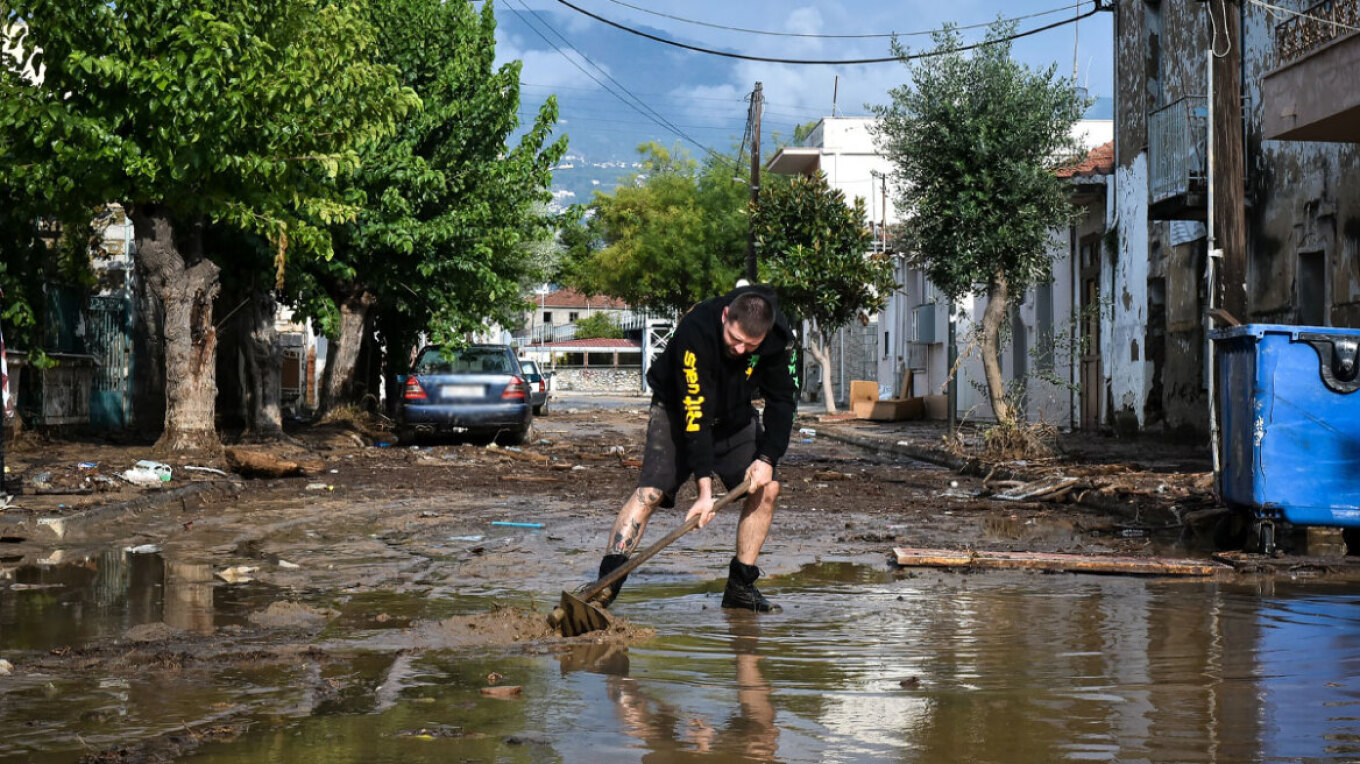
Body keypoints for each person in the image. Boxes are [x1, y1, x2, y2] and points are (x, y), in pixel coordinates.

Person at [594, 284, 797, 613]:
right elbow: (694, 414)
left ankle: (741, 588)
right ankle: (603, 588)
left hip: (734, 414)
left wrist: (767, 459)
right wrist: (705, 491)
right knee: (650, 492)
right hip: (677, 411)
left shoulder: (780, 338)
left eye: (751, 345)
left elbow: (783, 401)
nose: (742, 350)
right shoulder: (697, 328)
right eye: (735, 340)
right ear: (725, 316)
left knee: (768, 488)